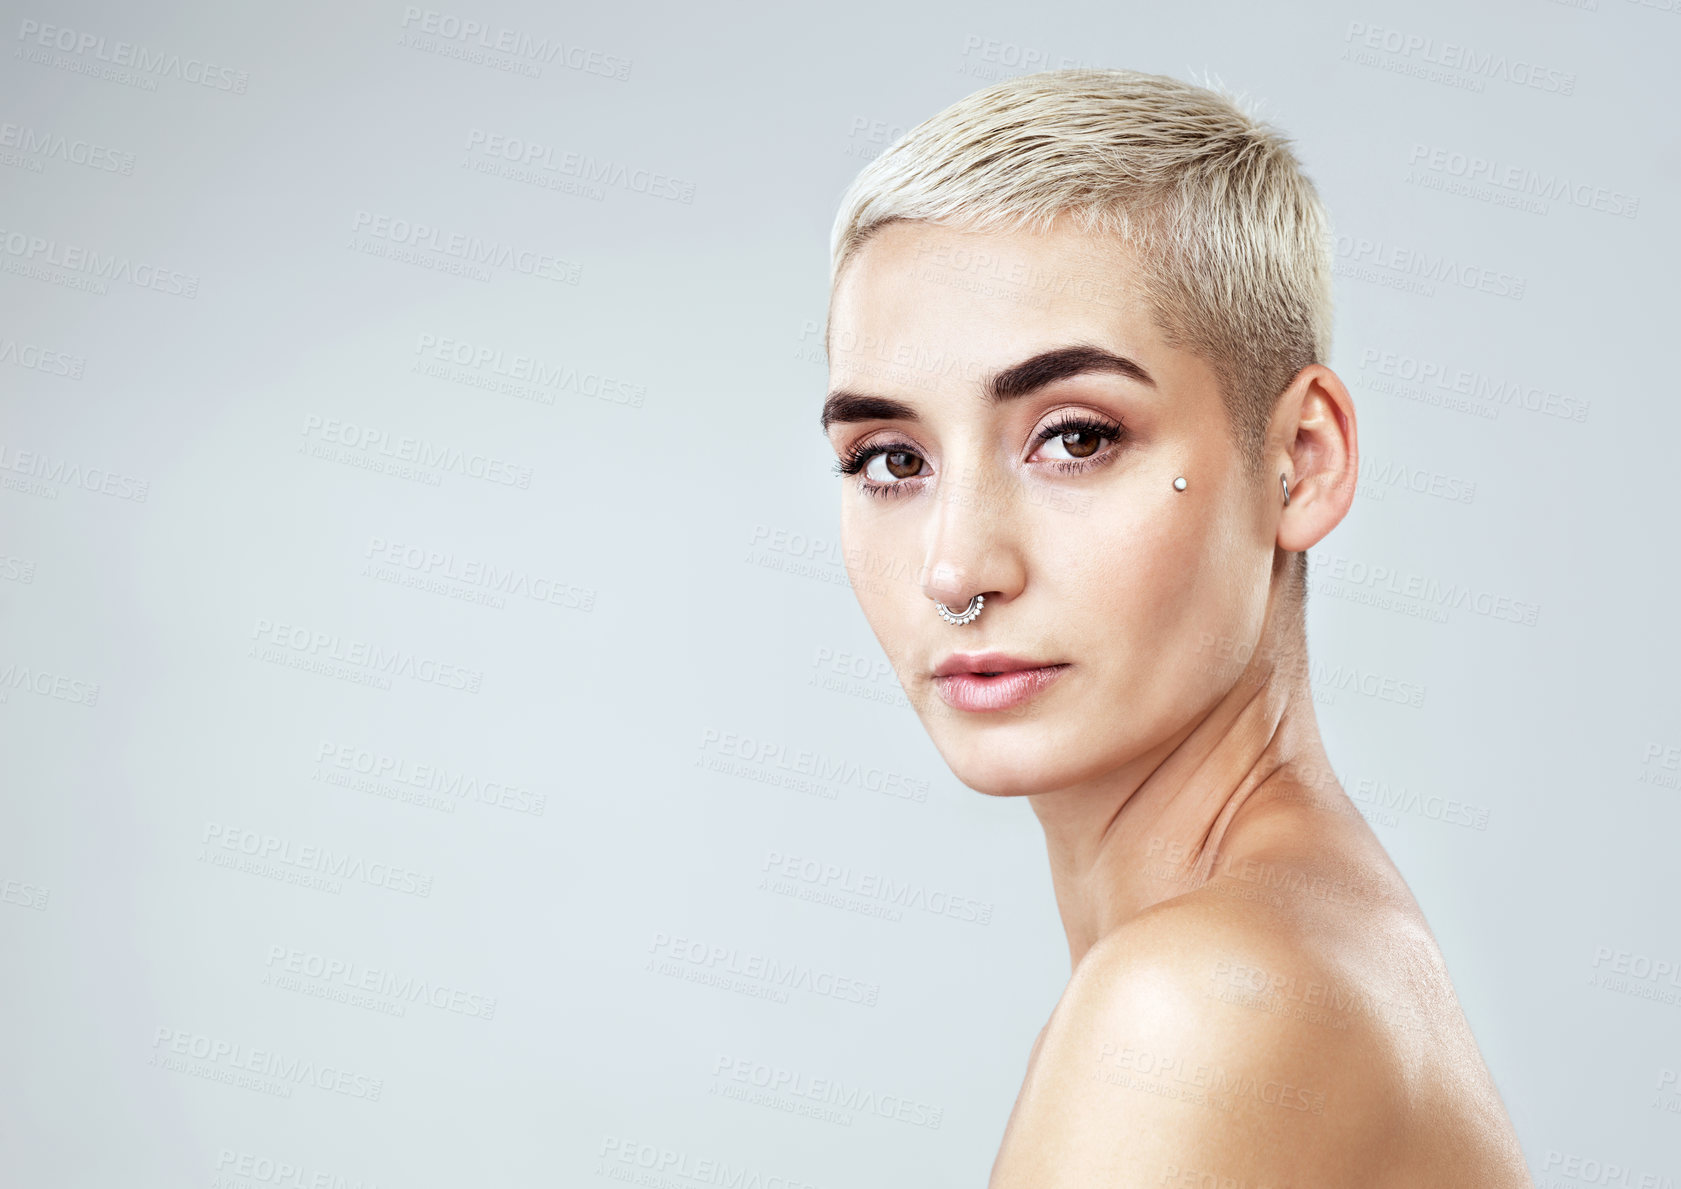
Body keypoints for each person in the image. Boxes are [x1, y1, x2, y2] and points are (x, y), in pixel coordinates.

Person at [818, 68, 1532, 1187]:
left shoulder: (1202, 1002)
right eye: (891, 461)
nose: (955, 568)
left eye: (1076, 438)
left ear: (1300, 460)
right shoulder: (1306, 948)